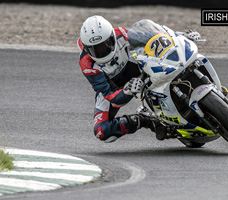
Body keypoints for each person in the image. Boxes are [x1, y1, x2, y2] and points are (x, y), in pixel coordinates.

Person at [77, 15, 202, 143]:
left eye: (106, 44)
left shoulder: (120, 34)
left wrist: (180, 36)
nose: (102, 51)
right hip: (113, 88)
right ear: (87, 49)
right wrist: (127, 91)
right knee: (102, 131)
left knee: (168, 62)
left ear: (112, 37)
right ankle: (145, 120)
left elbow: (150, 36)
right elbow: (109, 95)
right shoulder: (87, 65)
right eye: (96, 49)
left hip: (135, 69)